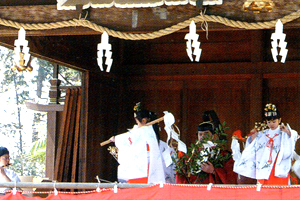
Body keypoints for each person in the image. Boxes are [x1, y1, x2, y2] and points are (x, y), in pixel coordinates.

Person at [233, 103, 298, 185]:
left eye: (274, 121)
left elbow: (294, 136)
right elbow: (253, 146)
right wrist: (253, 137)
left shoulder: (284, 133)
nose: (271, 124)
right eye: (269, 122)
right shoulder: (262, 134)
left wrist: (287, 131)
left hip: (278, 166)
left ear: (279, 120)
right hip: (264, 165)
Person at [176, 111, 238, 184]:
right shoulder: (190, 157)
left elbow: (231, 179)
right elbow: (181, 177)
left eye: (206, 134)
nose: (202, 137)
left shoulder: (223, 155)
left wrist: (214, 171)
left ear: (213, 136)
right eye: (200, 134)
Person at [110, 103, 165, 184]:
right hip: (144, 163)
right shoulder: (148, 131)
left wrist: (116, 139)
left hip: (145, 165)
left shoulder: (145, 131)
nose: (137, 125)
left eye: (137, 123)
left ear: (144, 121)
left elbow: (130, 137)